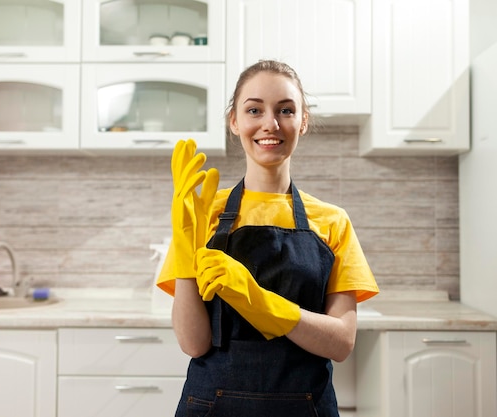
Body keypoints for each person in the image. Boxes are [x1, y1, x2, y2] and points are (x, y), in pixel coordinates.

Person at [157, 60, 379, 417]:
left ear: (303, 121)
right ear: (235, 120)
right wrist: (185, 248)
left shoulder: (332, 221)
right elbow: (193, 343)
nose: (269, 124)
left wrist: (262, 304)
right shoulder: (201, 213)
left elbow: (341, 342)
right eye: (254, 109)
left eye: (286, 110)